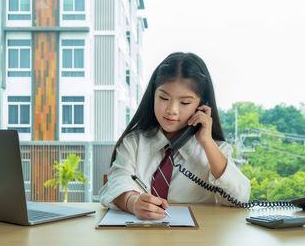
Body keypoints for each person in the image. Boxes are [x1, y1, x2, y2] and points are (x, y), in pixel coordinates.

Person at [99, 52, 250, 220]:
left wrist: (206, 142)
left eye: (185, 102)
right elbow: (115, 183)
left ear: (202, 106)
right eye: (163, 98)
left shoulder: (216, 151)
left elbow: (240, 198)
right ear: (153, 96)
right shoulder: (133, 143)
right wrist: (133, 202)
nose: (172, 110)